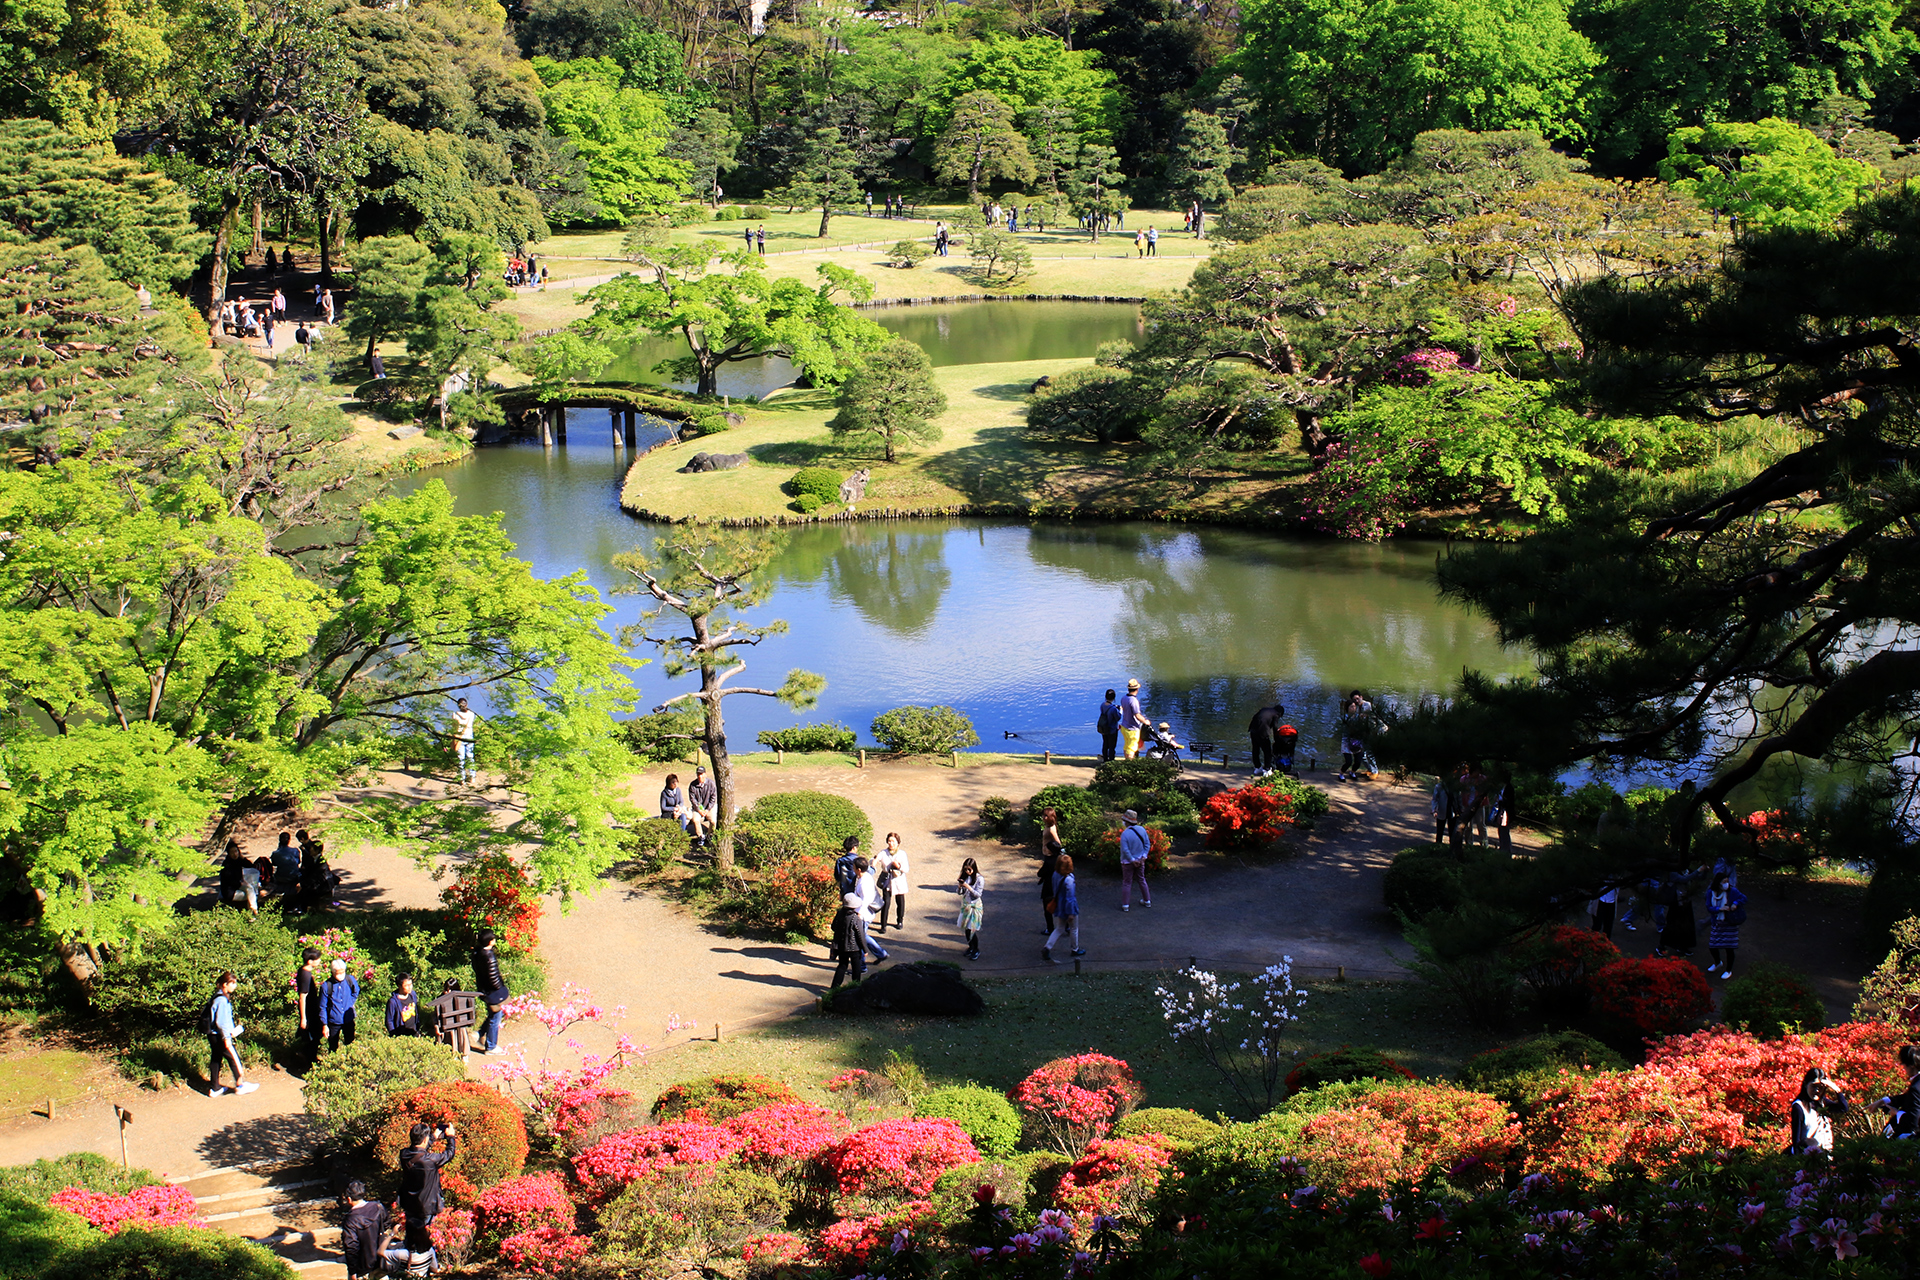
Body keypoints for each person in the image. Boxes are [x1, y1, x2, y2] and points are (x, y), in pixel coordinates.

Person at [204, 971, 258, 1096]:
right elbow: (222, 1022)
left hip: (213, 1035)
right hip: (220, 1036)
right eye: (232, 983)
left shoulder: (217, 996)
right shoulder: (222, 1000)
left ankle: (215, 1088)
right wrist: (226, 1037)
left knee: (216, 1059)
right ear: (224, 984)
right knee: (233, 1058)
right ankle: (240, 1085)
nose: (235, 986)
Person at [397, 1121, 458, 1228]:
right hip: (427, 1207)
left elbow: (418, 1149)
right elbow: (449, 1154)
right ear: (425, 1140)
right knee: (424, 1235)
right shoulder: (430, 1160)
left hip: (410, 1203)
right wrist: (451, 1137)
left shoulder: (404, 1154)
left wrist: (433, 1137)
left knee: (412, 1233)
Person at [1791, 1067, 1849, 1155]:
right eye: (1813, 1086)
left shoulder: (1822, 1102)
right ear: (1806, 1084)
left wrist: (1837, 1090)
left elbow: (1843, 1108)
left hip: (1825, 1156)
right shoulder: (1799, 1107)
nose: (1817, 1090)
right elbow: (1796, 1140)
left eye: (1820, 1087)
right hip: (1809, 1157)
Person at [340, 1180, 391, 1280]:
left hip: (363, 1267)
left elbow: (351, 1247)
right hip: (381, 1261)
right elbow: (387, 1224)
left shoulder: (350, 1220)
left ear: (349, 1199)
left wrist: (352, 1271)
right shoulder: (378, 1207)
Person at [472, 928, 510, 1054]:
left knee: (494, 1014)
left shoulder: (478, 953)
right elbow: (493, 978)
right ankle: (491, 1046)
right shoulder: (489, 957)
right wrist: (501, 988)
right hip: (493, 992)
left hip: (484, 989)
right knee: (496, 1016)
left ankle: (480, 1033)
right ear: (490, 941)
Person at [1706, 872, 1747, 979]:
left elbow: (1744, 898)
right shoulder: (1711, 893)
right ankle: (1717, 962)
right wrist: (1719, 909)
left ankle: (1728, 970)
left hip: (1730, 923)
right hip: (1718, 923)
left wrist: (1735, 904)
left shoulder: (1732, 891)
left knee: (1729, 947)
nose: (1726, 884)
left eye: (1727, 881)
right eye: (1724, 882)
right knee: (1712, 945)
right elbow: (1709, 907)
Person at [1042, 853, 1082, 962]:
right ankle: (1075, 949)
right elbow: (1070, 898)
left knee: (1059, 928)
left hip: (1059, 905)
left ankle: (1047, 947)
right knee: (1074, 928)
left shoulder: (1056, 874)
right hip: (1068, 907)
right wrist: (1071, 913)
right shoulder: (1069, 879)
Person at [1876, 1045, 1920, 1138]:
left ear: (1911, 1064)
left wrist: (1896, 1113)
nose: (1902, 1066)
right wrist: (1884, 1100)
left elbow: (1913, 1122)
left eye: (1903, 1063)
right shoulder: (1917, 1084)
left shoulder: (1915, 1087)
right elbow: (1908, 1097)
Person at [830, 887, 867, 988]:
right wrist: (865, 949)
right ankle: (855, 988)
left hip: (841, 946)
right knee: (856, 968)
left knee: (842, 966)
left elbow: (833, 927)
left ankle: (834, 988)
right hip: (854, 948)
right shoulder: (856, 918)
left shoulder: (839, 914)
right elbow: (860, 935)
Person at [321, 957, 359, 1052]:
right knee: (333, 1046)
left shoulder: (349, 980)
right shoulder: (326, 986)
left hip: (348, 1019)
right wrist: (324, 1024)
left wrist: (350, 1002)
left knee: (350, 1044)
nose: (341, 975)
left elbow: (356, 991)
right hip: (334, 1021)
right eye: (338, 973)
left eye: (343, 972)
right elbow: (322, 1006)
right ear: (333, 972)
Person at [1118, 810, 1152, 911]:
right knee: (1142, 879)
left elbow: (1125, 849)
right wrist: (1143, 857)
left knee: (1127, 882)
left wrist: (1132, 860)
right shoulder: (1142, 830)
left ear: (1126, 821)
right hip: (1141, 861)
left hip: (1127, 862)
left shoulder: (1125, 834)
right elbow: (1147, 844)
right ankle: (1147, 900)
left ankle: (1125, 905)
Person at [875, 832, 910, 931]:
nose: (891, 843)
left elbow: (906, 869)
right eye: (889, 841)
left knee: (900, 902)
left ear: (898, 843)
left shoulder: (902, 854)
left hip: (899, 880)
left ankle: (899, 921)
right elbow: (876, 860)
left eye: (893, 841)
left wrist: (898, 866)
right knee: (886, 902)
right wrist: (873, 862)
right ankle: (883, 925)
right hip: (887, 881)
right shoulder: (883, 853)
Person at [1038, 808, 1064, 935]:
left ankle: (1051, 927)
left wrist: (1058, 854)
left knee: (1049, 897)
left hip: (1050, 858)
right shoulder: (1048, 827)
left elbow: (1058, 843)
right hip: (1048, 856)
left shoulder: (1051, 828)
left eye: (1045, 816)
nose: (1043, 818)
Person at [956, 857, 983, 960]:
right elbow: (960, 893)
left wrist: (968, 887)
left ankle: (976, 949)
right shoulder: (965, 877)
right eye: (965, 869)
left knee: (972, 929)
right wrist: (960, 887)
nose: (967, 872)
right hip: (966, 905)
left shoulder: (979, 879)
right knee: (966, 929)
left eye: (969, 870)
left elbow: (977, 894)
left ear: (974, 869)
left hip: (975, 907)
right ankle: (971, 947)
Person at [1248, 701, 1285, 776]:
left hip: (1253, 730)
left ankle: (1257, 768)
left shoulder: (1265, 709)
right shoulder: (1276, 714)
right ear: (1280, 713)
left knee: (1255, 749)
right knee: (1267, 751)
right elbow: (1275, 727)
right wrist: (1276, 739)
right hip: (1262, 732)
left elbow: (1255, 717)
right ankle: (1267, 769)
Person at [686, 764, 718, 848]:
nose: (700, 776)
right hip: (697, 809)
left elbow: (713, 798)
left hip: (709, 807)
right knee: (695, 820)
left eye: (701, 774)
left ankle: (710, 835)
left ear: (705, 774)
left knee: (713, 821)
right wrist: (699, 810)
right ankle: (701, 836)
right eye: (698, 774)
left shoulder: (711, 784)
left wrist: (707, 809)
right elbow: (693, 800)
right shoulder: (692, 785)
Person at [1118, 678, 1147, 760]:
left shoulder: (1124, 698)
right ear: (1137, 689)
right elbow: (1137, 715)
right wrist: (1145, 721)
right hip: (1132, 729)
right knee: (1132, 748)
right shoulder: (1134, 701)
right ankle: (1130, 764)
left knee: (1127, 746)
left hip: (1124, 726)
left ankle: (1127, 761)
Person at [450, 697, 477, 784]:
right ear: (466, 704)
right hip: (469, 736)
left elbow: (454, 727)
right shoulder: (471, 714)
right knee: (470, 756)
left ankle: (462, 778)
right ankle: (472, 776)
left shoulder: (455, 714)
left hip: (459, 737)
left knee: (460, 758)